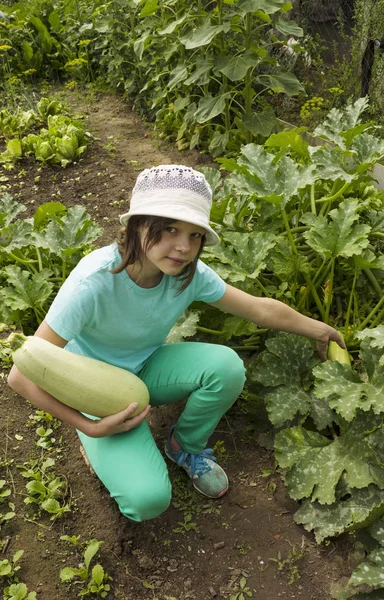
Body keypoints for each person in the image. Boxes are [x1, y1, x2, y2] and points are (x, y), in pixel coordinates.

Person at [8, 164, 345, 523]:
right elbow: (20, 376)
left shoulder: (188, 276)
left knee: (227, 367)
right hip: (94, 393)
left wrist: (319, 330)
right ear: (137, 225)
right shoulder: (92, 283)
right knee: (148, 500)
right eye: (169, 229)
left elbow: (259, 309)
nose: (184, 247)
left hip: (147, 368)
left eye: (195, 234)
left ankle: (183, 446)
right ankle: (93, 442)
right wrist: (89, 425)